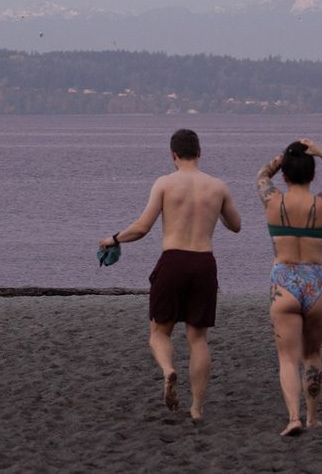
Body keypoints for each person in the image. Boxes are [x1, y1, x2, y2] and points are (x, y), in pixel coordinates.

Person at [98, 128, 243, 422]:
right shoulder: (218, 187)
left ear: (173, 155)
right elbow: (236, 225)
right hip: (204, 262)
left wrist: (114, 238)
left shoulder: (165, 183)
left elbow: (142, 227)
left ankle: (168, 370)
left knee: (159, 331)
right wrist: (214, 212)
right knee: (198, 338)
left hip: (173, 260)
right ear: (199, 152)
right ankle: (197, 408)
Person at [255, 138, 322, 436]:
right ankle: (312, 417)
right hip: (317, 282)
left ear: (284, 174)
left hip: (284, 281)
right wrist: (320, 152)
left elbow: (261, 175)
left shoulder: (272, 199)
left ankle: (293, 417)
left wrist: (283, 156)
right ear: (312, 175)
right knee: (312, 353)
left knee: (287, 357)